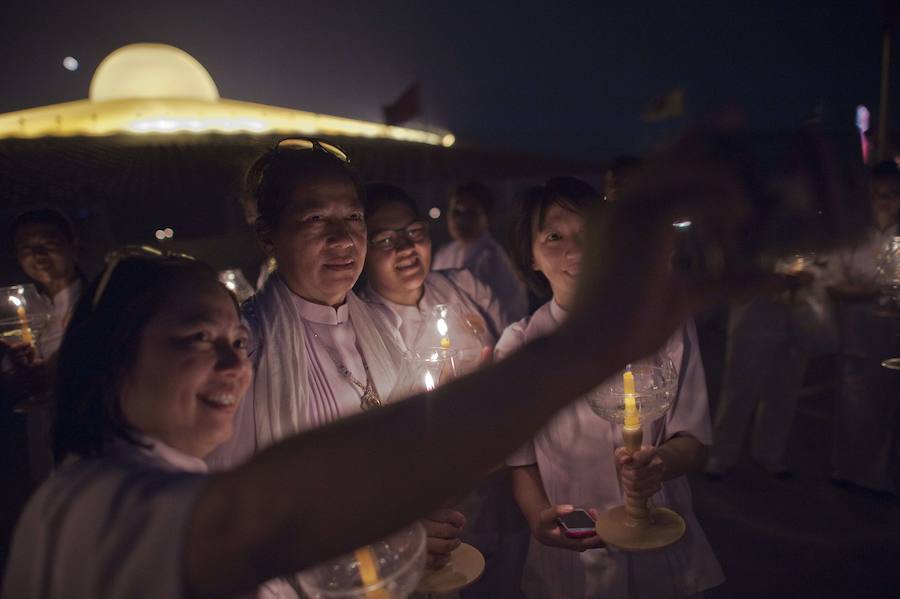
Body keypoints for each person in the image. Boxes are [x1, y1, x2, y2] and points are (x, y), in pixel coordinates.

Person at [2, 130, 750, 598]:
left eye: (351, 220)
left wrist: (407, 521)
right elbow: (268, 517)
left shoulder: (376, 328)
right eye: (194, 338)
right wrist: (585, 345)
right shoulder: (96, 502)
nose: (233, 361)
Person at [209, 140, 465, 571]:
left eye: (353, 217)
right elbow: (231, 516)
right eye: (315, 218)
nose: (343, 238)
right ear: (268, 235)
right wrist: (391, 532)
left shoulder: (376, 328)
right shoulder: (242, 352)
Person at [498, 177, 723, 598]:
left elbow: (694, 437)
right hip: (570, 549)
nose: (575, 248)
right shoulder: (519, 346)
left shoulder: (662, 325)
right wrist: (537, 518)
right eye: (553, 236)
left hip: (658, 539)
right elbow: (521, 463)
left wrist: (660, 465)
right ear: (530, 256)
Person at [358, 182, 528, 597]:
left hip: (498, 482)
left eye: (414, 233)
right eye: (385, 239)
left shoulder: (466, 286)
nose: (405, 249)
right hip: (429, 501)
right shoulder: (360, 324)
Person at [825, 160, 900, 494]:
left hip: (893, 338)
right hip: (857, 334)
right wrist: (877, 291)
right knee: (853, 405)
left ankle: (881, 476)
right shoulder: (853, 237)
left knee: (889, 407)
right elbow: (834, 285)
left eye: (892, 194)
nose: (884, 201)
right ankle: (847, 469)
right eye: (877, 195)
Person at [3, 207, 85, 482]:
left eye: (47, 243)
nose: (38, 254)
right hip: (43, 435)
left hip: (90, 430)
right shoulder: (23, 312)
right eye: (26, 247)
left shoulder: (100, 302)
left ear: (73, 246)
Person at [431, 181, 529, 322]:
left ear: (487, 218)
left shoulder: (494, 260)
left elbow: (506, 315)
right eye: (456, 211)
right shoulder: (443, 253)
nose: (461, 219)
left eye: (470, 213)